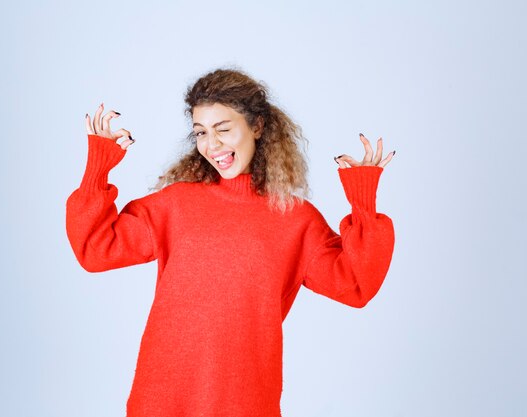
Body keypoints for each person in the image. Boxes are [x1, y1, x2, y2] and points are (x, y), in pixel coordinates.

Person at [65, 67, 396, 417]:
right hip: (162, 398)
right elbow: (96, 249)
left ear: (257, 126)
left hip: (244, 401)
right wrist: (98, 167)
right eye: (201, 133)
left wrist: (363, 203)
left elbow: (356, 283)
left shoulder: (294, 218)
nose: (212, 145)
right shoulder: (176, 204)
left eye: (223, 129)